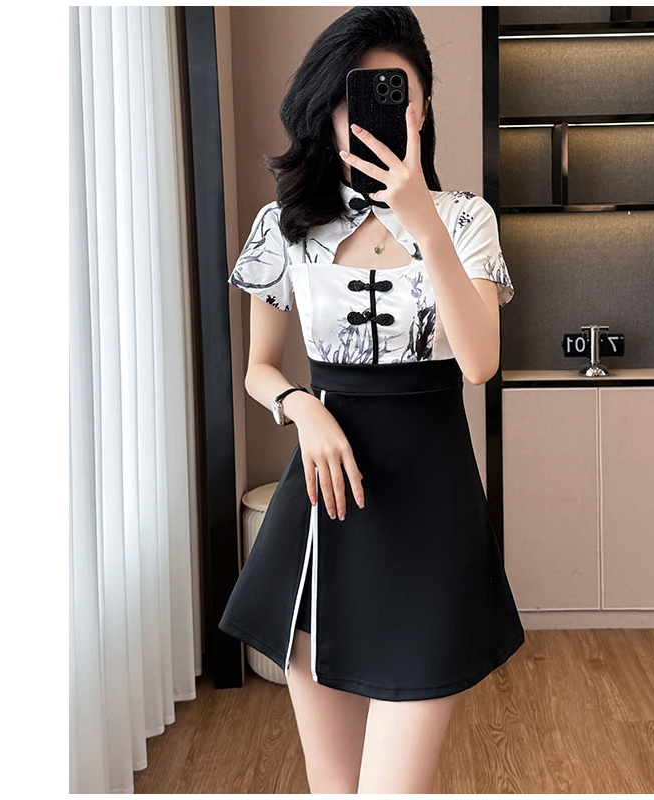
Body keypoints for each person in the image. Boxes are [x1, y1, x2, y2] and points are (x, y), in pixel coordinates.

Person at [219, 6, 525, 794]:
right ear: (328, 108)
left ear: (422, 108)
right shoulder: (285, 225)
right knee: (335, 786)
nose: (374, 113)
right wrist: (303, 407)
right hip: (321, 514)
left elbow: (480, 363)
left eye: (397, 93)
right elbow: (259, 369)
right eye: (354, 95)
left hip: (429, 517)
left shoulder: (466, 218)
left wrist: (423, 221)